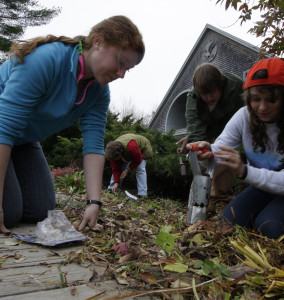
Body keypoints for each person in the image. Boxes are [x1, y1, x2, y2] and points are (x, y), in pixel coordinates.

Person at [0, 15, 145, 234]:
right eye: (120, 62)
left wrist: (94, 203)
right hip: (3, 132)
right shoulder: (46, 60)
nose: (122, 74)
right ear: (98, 41)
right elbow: (4, 128)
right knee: (8, 212)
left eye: (128, 69)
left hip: (24, 139)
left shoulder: (99, 92)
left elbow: (94, 147)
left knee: (39, 209)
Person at [187, 57, 284, 242]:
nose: (262, 108)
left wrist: (244, 171)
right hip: (264, 187)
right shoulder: (244, 116)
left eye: (271, 100)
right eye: (256, 99)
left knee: (269, 229)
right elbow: (219, 148)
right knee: (228, 221)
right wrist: (208, 152)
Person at [177, 63, 244, 198]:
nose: (209, 97)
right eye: (204, 94)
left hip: (233, 132)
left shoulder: (237, 87)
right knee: (203, 161)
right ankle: (204, 198)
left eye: (212, 92)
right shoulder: (193, 99)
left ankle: (220, 198)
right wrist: (196, 151)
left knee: (223, 164)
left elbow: (248, 116)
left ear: (220, 85)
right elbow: (195, 130)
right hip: (206, 134)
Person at [105, 134, 153, 198]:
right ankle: (112, 189)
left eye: (116, 159)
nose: (115, 160)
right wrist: (116, 182)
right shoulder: (112, 153)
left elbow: (138, 160)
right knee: (120, 168)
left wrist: (128, 169)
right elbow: (116, 169)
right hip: (127, 152)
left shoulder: (131, 147)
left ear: (120, 153)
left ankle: (142, 194)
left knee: (140, 169)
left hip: (143, 149)